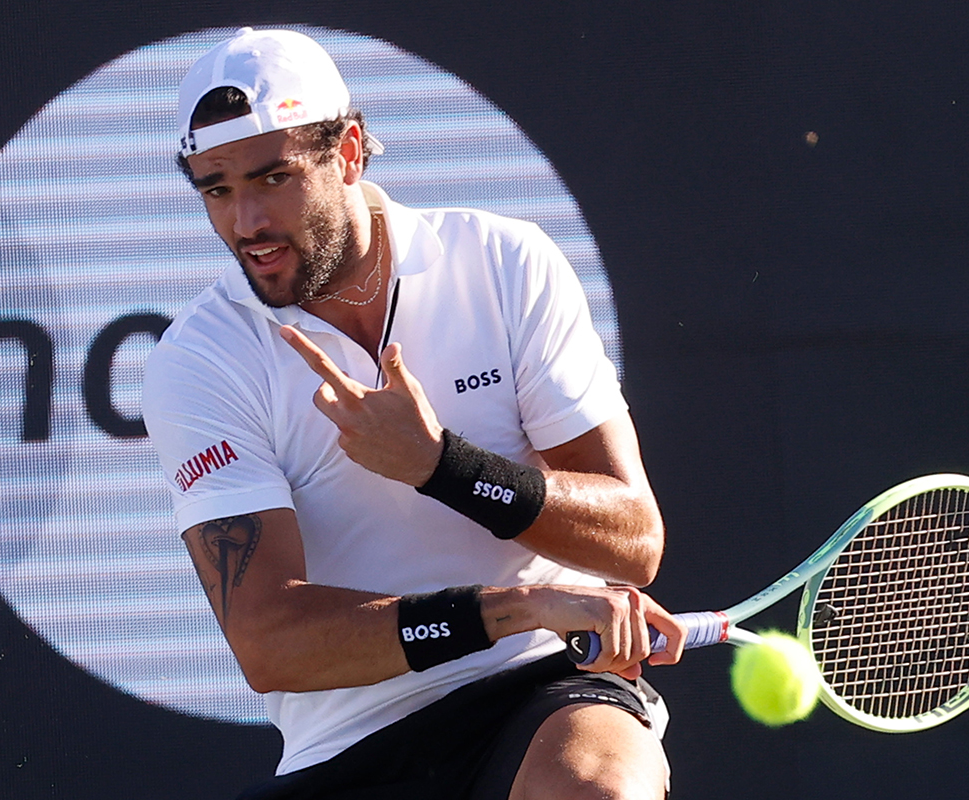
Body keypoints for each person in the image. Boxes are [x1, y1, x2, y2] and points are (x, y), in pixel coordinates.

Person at [143, 27, 687, 800]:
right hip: (347, 744)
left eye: (273, 177)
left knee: (594, 789)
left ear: (349, 152)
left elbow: (633, 540)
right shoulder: (199, 359)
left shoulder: (505, 262)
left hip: (540, 686)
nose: (247, 222)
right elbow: (269, 643)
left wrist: (444, 468)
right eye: (217, 190)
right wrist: (520, 606)